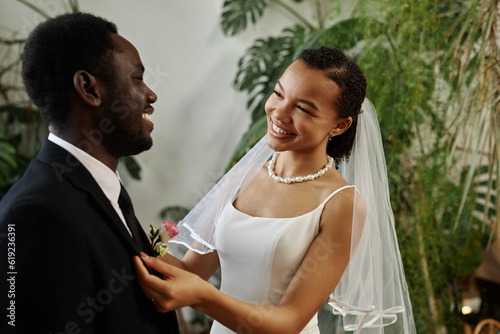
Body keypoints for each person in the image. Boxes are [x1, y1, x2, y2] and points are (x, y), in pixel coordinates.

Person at [134, 47, 416, 333]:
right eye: (279, 94)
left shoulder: (342, 204)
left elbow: (289, 321)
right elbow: (190, 273)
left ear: (340, 125)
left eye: (303, 108)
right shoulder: (243, 176)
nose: (279, 113)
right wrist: (127, 228)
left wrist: (204, 297)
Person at [0, 13, 178, 334]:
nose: (150, 96)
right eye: (137, 78)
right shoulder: (37, 213)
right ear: (89, 88)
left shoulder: (95, 189)